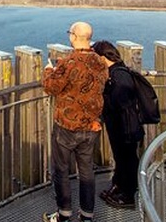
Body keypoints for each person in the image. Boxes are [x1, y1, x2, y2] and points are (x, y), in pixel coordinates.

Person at [42, 21, 108, 222]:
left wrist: (48, 70)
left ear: (73, 36)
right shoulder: (100, 62)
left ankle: (64, 214)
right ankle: (87, 215)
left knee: (61, 170)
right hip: (91, 126)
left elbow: (50, 87)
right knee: (86, 172)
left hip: (67, 126)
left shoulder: (69, 62)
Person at [93, 40, 144, 209]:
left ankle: (128, 195)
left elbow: (123, 103)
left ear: (102, 57)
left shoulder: (119, 75)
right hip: (122, 124)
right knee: (122, 158)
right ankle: (119, 186)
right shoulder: (116, 71)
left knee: (127, 158)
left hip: (125, 126)